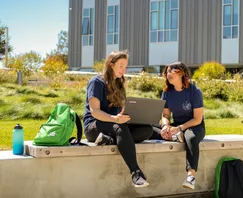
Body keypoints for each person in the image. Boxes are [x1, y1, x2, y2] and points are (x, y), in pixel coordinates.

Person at [83, 50, 153, 188]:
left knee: (147, 130)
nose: (124, 69)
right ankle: (136, 173)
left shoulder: (119, 84)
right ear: (111, 65)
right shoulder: (96, 82)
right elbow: (95, 111)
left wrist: (129, 115)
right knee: (120, 128)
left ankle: (108, 140)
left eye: (125, 66)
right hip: (94, 126)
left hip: (114, 124)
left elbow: (119, 111)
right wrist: (115, 119)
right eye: (121, 65)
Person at [150, 62, 205, 190]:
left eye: (171, 71)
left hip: (194, 125)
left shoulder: (194, 91)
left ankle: (191, 176)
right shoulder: (167, 92)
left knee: (190, 138)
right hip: (177, 126)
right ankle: (174, 136)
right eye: (167, 72)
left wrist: (180, 128)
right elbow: (165, 115)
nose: (168, 74)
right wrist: (165, 126)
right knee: (148, 127)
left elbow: (197, 119)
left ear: (181, 73)